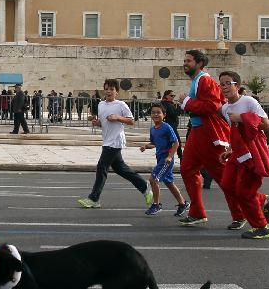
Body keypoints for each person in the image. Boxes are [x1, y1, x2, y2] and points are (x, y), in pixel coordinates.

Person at [178, 50, 269, 227]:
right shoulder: (197, 81)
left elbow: (211, 106)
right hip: (197, 132)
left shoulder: (205, 80)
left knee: (224, 178)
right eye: (184, 60)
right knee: (187, 169)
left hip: (207, 135)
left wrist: (186, 103)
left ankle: (251, 206)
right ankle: (197, 212)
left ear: (199, 63)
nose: (185, 63)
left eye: (188, 61)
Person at [218, 71, 269, 239]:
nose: (225, 87)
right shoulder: (225, 108)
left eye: (228, 83)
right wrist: (229, 149)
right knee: (227, 185)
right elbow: (234, 133)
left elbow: (266, 125)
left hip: (253, 154)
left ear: (237, 85)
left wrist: (242, 118)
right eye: (222, 84)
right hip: (237, 153)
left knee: (244, 192)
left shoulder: (248, 101)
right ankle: (264, 200)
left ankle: (262, 227)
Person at [78, 79, 153, 209]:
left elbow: (131, 121)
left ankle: (94, 198)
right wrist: (98, 123)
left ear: (116, 92)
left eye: (112, 89)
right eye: (106, 88)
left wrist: (118, 117)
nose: (109, 91)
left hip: (115, 140)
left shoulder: (121, 105)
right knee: (120, 169)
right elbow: (104, 122)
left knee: (102, 167)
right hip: (107, 140)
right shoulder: (101, 105)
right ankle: (144, 187)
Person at [139, 102, 188, 217]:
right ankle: (182, 203)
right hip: (160, 158)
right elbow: (154, 143)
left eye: (158, 112)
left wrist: (170, 156)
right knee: (169, 182)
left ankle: (156, 204)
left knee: (153, 179)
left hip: (166, 160)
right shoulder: (153, 129)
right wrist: (146, 146)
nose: (156, 115)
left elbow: (176, 142)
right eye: (153, 112)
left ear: (164, 115)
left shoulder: (166, 127)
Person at [160, 90, 182, 160]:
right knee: (177, 141)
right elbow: (174, 114)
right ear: (166, 96)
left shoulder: (167, 103)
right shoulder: (167, 104)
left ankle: (178, 156)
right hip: (170, 126)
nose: (173, 97)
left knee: (172, 142)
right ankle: (180, 157)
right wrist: (180, 106)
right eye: (171, 96)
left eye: (174, 96)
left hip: (171, 125)